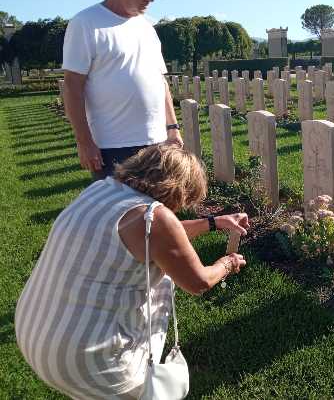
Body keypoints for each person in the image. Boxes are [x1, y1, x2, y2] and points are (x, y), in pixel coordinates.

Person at [15, 144, 248, 398]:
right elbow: (198, 282)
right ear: (179, 190)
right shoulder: (154, 218)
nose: (181, 208)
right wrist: (228, 263)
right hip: (87, 355)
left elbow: (159, 236)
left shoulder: (103, 190)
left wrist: (213, 222)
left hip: (36, 329)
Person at [62, 0, 181, 180]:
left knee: (156, 212)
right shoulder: (86, 23)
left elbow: (160, 81)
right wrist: (84, 142)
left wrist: (172, 127)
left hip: (157, 142)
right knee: (122, 213)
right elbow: (72, 86)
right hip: (113, 145)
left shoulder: (147, 28)